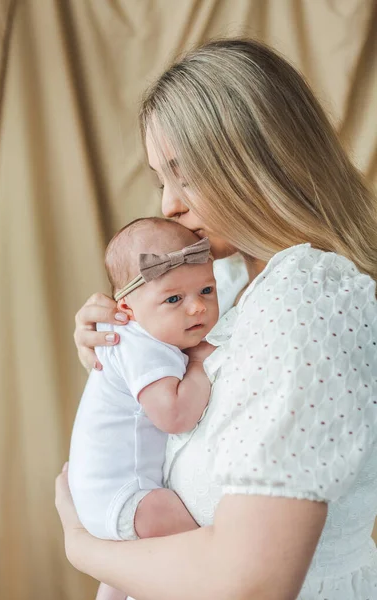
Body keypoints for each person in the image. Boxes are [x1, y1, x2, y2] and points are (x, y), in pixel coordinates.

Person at [56, 38, 377, 600]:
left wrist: (82, 546)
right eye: (161, 180)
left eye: (185, 174)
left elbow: (249, 583)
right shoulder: (228, 290)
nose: (168, 206)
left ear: (262, 155)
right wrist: (123, 348)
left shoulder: (303, 300)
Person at [69, 217, 219, 600]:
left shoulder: (144, 336)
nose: (197, 308)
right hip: (126, 497)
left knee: (126, 567)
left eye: (206, 289)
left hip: (102, 494)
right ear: (127, 310)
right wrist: (201, 366)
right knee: (207, 546)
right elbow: (174, 416)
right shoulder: (142, 347)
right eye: (174, 299)